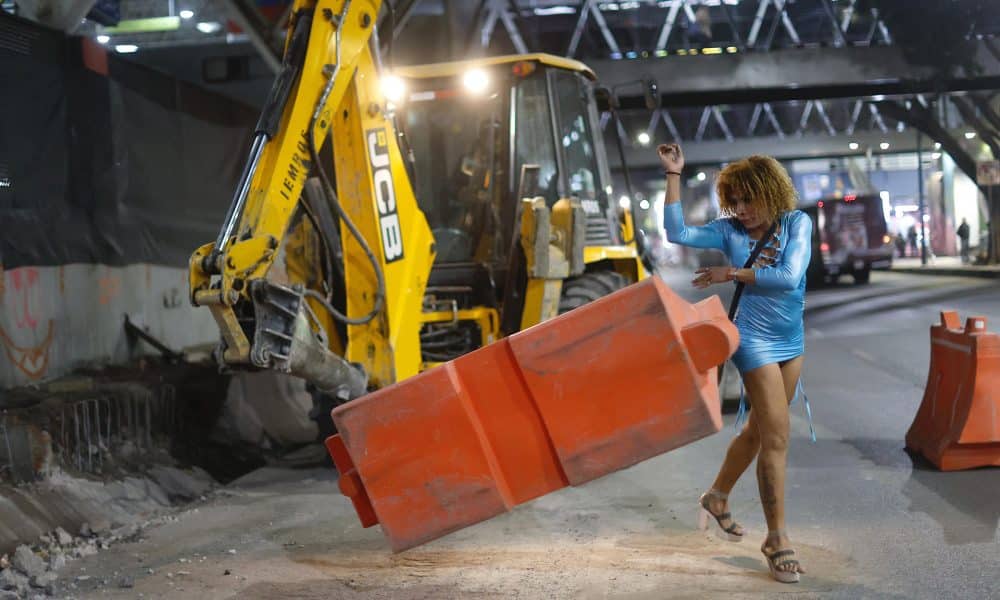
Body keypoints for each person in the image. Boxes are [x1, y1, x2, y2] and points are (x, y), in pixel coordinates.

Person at [658, 143, 810, 584]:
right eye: (734, 201)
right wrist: (674, 176)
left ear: (771, 193)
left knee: (758, 430)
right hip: (754, 340)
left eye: (748, 199)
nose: (740, 210)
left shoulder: (798, 222)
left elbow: (789, 278)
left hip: (792, 339)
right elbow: (678, 234)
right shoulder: (729, 232)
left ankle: (718, 496)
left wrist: (732, 273)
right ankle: (777, 539)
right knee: (778, 438)